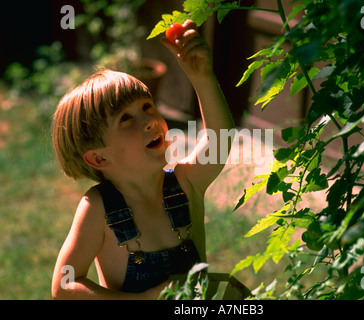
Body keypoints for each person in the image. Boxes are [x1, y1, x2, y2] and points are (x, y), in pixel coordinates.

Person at [51, 20, 234, 299]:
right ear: (99, 157)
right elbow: (64, 285)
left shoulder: (186, 183)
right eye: (126, 119)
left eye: (147, 107)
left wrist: (202, 78)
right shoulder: (98, 209)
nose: (149, 120)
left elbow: (219, 141)